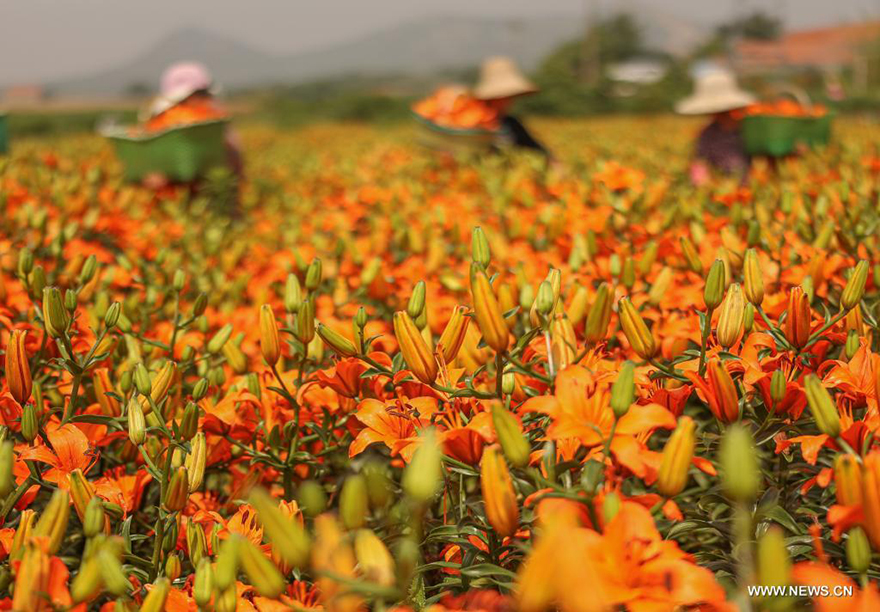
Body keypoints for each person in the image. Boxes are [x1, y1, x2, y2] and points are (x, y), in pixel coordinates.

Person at [142, 62, 243, 188]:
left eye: (201, 94)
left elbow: (235, 167)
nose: (200, 100)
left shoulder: (218, 124)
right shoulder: (160, 122)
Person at [676, 69, 755, 185]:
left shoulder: (752, 129)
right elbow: (700, 166)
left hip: (754, 188)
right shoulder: (707, 134)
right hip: (722, 192)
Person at [473, 56, 551, 157]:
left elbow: (540, 152)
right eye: (505, 97)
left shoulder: (511, 124)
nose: (509, 101)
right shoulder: (469, 123)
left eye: (510, 96)